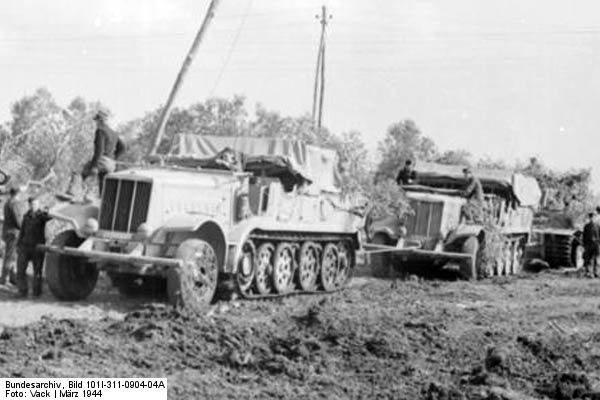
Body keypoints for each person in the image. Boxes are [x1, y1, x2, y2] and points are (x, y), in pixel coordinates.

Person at [63, 110, 125, 200]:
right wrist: (113, 159)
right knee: (103, 184)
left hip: (102, 161)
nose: (95, 123)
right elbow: (123, 147)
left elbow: (99, 150)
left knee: (78, 172)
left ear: (100, 120)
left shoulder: (100, 130)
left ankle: (72, 193)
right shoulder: (113, 133)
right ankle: (102, 201)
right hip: (111, 164)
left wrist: (94, 166)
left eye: (96, 121)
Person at [16, 196, 52, 297]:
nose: (33, 206)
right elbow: (22, 231)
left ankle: (37, 293)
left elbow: (50, 217)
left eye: (35, 204)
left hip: (38, 247)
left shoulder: (42, 216)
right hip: (25, 246)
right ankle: (22, 291)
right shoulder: (26, 216)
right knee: (21, 270)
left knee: (37, 271)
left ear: (38, 204)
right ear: (29, 205)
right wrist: (19, 244)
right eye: (32, 204)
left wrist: (48, 211)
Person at [0, 186, 21, 285]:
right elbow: (17, 219)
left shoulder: (7, 203)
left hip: (7, 231)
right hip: (13, 233)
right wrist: (23, 228)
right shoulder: (14, 203)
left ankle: (12, 277)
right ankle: (5, 279)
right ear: (17, 194)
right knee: (10, 256)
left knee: (12, 256)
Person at [582, 212, 600, 278]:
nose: (592, 218)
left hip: (596, 244)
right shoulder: (586, 226)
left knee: (596, 260)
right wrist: (584, 245)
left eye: (593, 217)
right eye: (591, 217)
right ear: (589, 218)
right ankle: (588, 273)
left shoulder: (597, 226)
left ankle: (596, 273)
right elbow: (584, 236)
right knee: (588, 259)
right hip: (588, 244)